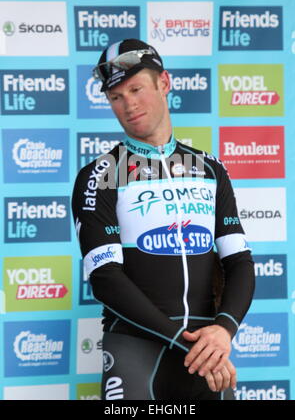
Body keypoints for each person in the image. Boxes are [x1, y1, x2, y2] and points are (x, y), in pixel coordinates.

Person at [72, 39, 255, 400]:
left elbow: (239, 263)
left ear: (164, 83)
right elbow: (106, 278)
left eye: (136, 89)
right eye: (116, 98)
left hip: (208, 349)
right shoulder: (102, 174)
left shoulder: (210, 169)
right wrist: (185, 342)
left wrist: (224, 331)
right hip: (137, 347)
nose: (128, 104)